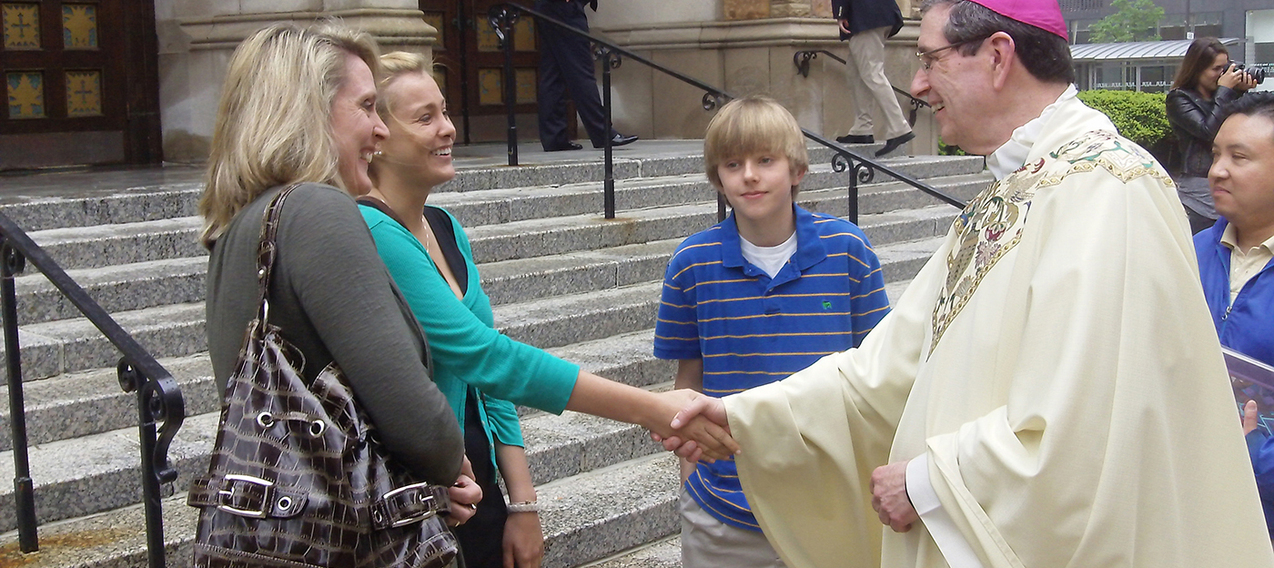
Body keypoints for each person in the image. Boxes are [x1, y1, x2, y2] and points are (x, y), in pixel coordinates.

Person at [661, 0, 1274, 566]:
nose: (919, 84)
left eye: (929, 60)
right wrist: (740, 415)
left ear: (999, 55)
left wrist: (929, 482)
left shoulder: (1108, 188)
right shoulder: (1012, 192)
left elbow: (1090, 429)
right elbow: (886, 368)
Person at [358, 51, 737, 568]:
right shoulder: (374, 231)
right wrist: (655, 408)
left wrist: (522, 502)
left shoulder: (444, 225)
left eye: (445, 111)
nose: (448, 129)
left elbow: (488, 387)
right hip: (422, 497)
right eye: (425, 118)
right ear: (377, 135)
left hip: (477, 485)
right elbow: (486, 356)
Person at [198, 22, 482, 540]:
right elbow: (415, 414)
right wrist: (448, 461)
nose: (380, 129)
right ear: (308, 111)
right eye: (367, 106)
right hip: (351, 536)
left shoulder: (240, 226)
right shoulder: (317, 209)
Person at [654, 95, 890, 568]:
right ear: (717, 178)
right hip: (725, 509)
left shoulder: (847, 250)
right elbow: (689, 381)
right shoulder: (691, 263)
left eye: (765, 160)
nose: (749, 175)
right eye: (733, 163)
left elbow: (879, 370)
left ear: (797, 169)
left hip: (830, 500)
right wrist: (690, 479)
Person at [1194, 92, 1274, 538]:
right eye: (1215, 154)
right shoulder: (1189, 253)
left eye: (1239, 157)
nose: (1217, 170)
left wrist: (1247, 453)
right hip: (1190, 507)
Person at [1167, 37, 1257, 233]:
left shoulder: (1224, 96)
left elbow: (1241, 129)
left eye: (1225, 68)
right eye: (1216, 69)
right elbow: (1208, 132)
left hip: (1232, 180)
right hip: (1199, 189)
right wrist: (1225, 91)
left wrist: (1239, 93)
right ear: (1197, 69)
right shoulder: (1179, 98)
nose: (1222, 74)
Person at [534, 0, 637, 151]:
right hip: (564, 8)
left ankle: (554, 137)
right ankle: (602, 132)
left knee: (553, 73)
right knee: (581, 71)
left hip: (551, 7)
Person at [832, 0, 916, 157]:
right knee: (856, 72)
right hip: (874, 13)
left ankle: (899, 127)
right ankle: (862, 128)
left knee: (871, 73)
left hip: (865, 14)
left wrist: (841, 11)